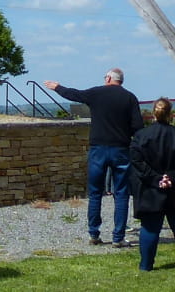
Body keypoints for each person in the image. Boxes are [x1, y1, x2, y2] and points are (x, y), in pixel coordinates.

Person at [45, 69, 144, 246]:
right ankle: (118, 237)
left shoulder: (97, 93)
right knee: (121, 194)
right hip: (121, 149)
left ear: (108, 78)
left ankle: (94, 234)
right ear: (120, 81)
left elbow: (75, 95)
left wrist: (57, 87)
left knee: (95, 193)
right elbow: (138, 126)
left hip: (98, 148)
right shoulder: (130, 97)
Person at [126, 97, 175, 272]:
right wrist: (171, 178)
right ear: (170, 114)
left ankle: (146, 265)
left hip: (150, 188)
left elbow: (137, 162)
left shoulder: (141, 137)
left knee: (150, 227)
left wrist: (156, 178)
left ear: (153, 113)